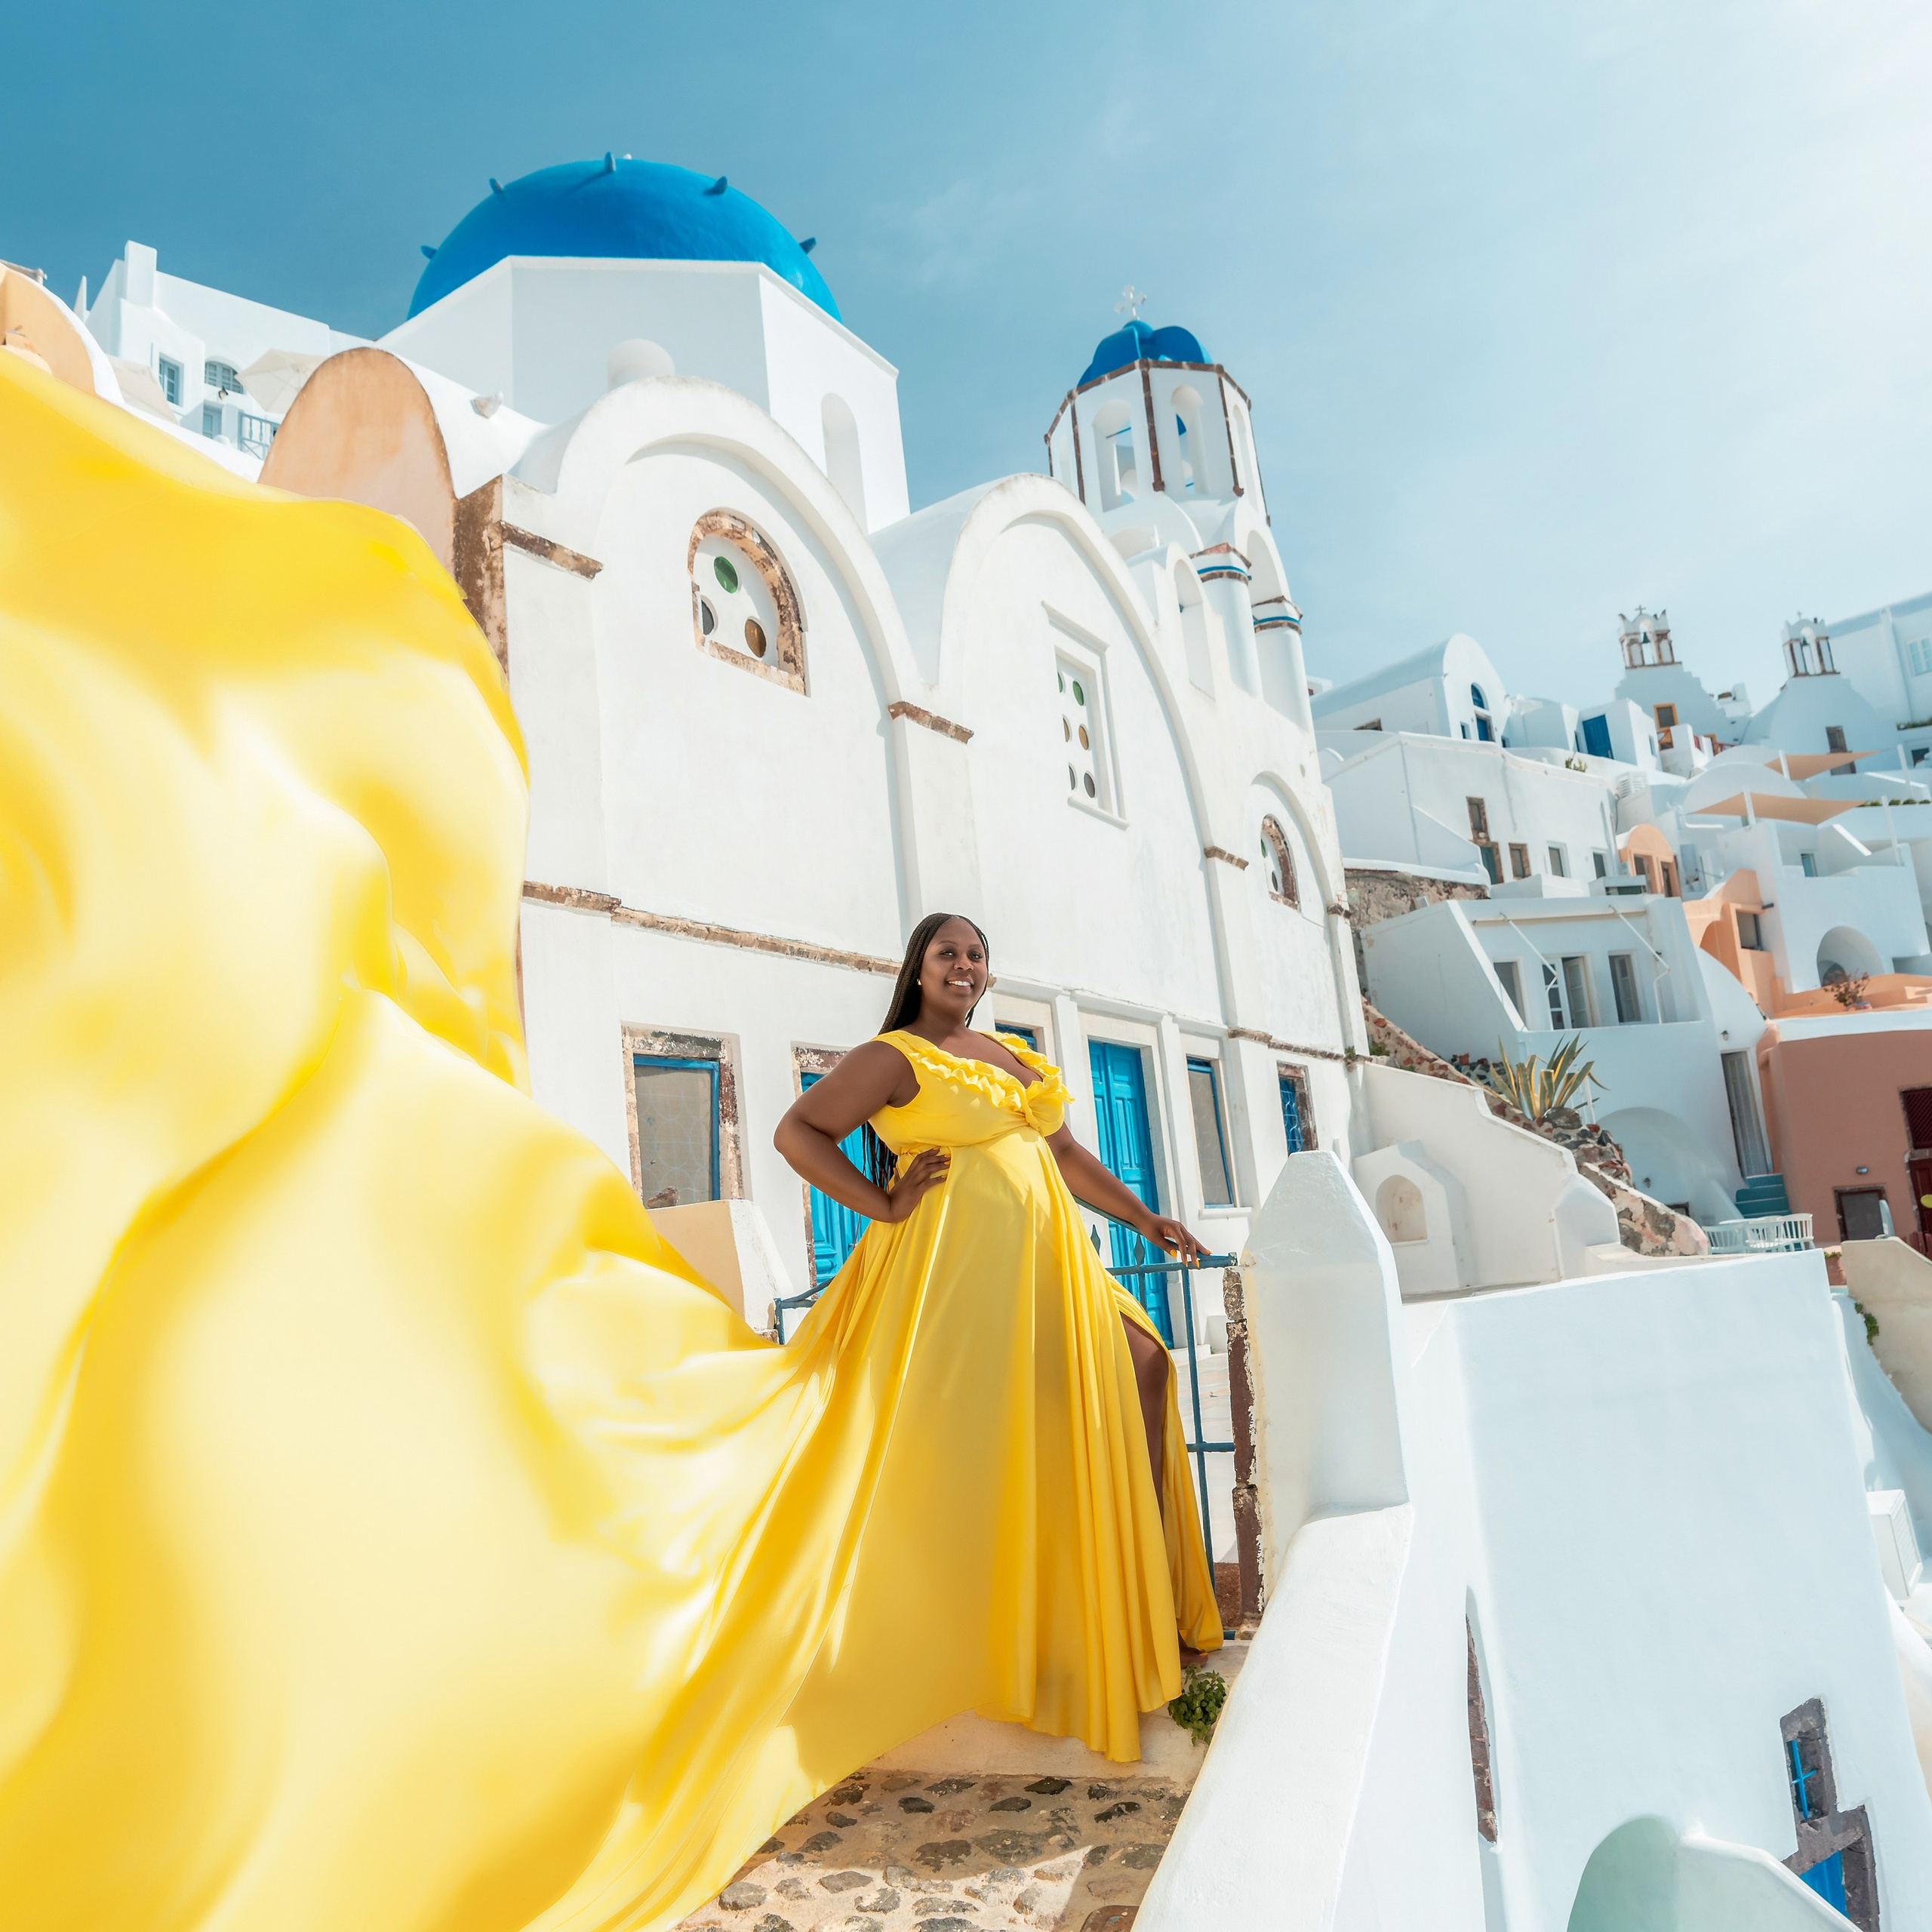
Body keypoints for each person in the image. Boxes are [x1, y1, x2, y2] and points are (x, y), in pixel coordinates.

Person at [777, 912, 1216, 1540]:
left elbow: (1064, 1155)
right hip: (958, 1268)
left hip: (1048, 1261)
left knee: (1143, 1361)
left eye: (975, 955)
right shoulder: (894, 1056)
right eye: (946, 953)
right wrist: (884, 1203)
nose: (963, 965)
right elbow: (797, 1134)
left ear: (987, 974)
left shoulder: (1010, 1056)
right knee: (991, 1425)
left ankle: (1131, 1555)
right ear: (918, 971)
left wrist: (1144, 1217)